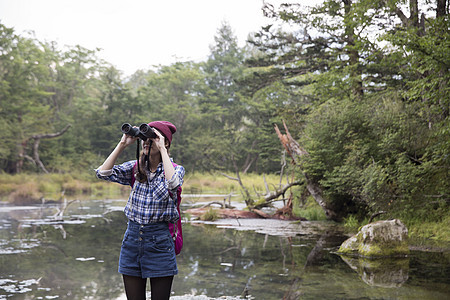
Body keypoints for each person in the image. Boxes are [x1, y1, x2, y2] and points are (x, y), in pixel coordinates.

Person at [95, 121, 184, 300]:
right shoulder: (135, 167)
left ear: (165, 142)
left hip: (160, 241)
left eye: (152, 138)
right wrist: (122, 144)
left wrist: (163, 151)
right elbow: (102, 173)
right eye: (144, 138)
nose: (146, 142)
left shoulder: (175, 170)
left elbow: (172, 184)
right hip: (132, 239)